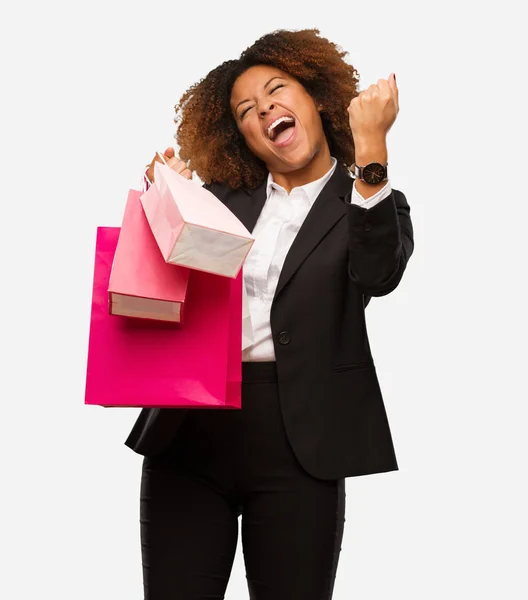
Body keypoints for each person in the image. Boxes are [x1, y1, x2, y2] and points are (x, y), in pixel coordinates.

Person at [126, 28, 414, 600]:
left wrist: (372, 150)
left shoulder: (366, 202)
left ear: (315, 98)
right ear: (242, 137)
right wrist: (167, 202)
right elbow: (164, 294)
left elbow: (378, 275)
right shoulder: (222, 196)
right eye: (246, 111)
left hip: (300, 442)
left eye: (277, 90)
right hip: (190, 433)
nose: (265, 111)